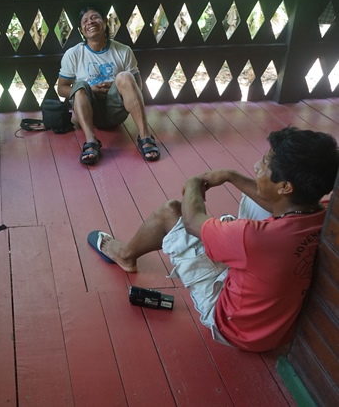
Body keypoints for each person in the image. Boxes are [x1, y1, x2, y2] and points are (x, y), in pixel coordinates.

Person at [88, 127, 339, 352]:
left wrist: (194, 184)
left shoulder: (253, 235)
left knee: (170, 211)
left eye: (264, 164)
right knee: (255, 200)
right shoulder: (323, 212)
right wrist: (231, 175)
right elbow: (275, 204)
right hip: (276, 328)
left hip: (234, 327)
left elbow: (192, 221)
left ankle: (125, 255)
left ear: (285, 187)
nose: (256, 166)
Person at [57, 6, 159, 165]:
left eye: (94, 18)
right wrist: (90, 89)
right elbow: (62, 88)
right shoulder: (73, 54)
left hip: (116, 112)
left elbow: (137, 85)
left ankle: (145, 136)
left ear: (105, 22)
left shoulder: (123, 51)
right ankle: (91, 141)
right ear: (81, 30)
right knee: (80, 85)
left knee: (125, 76)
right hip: (89, 114)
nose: (90, 22)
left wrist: (117, 85)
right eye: (85, 21)